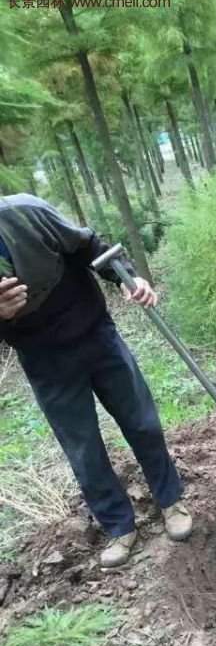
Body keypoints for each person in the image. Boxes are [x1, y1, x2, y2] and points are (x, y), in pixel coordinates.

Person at [0, 194, 192, 568]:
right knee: (83, 448)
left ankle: (170, 501)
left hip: (94, 334)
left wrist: (128, 277)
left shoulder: (25, 213)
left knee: (142, 421)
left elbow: (90, 247)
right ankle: (120, 526)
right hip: (44, 359)